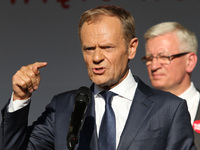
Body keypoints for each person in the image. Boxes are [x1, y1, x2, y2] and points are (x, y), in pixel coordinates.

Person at [1, 6, 196, 150]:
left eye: (107, 47)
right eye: (89, 49)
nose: (96, 58)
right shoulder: (63, 107)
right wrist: (20, 99)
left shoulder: (169, 109)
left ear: (132, 48)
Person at [142, 21, 200, 149]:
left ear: (190, 61)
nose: (154, 66)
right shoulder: (138, 112)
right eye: (149, 58)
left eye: (163, 57)